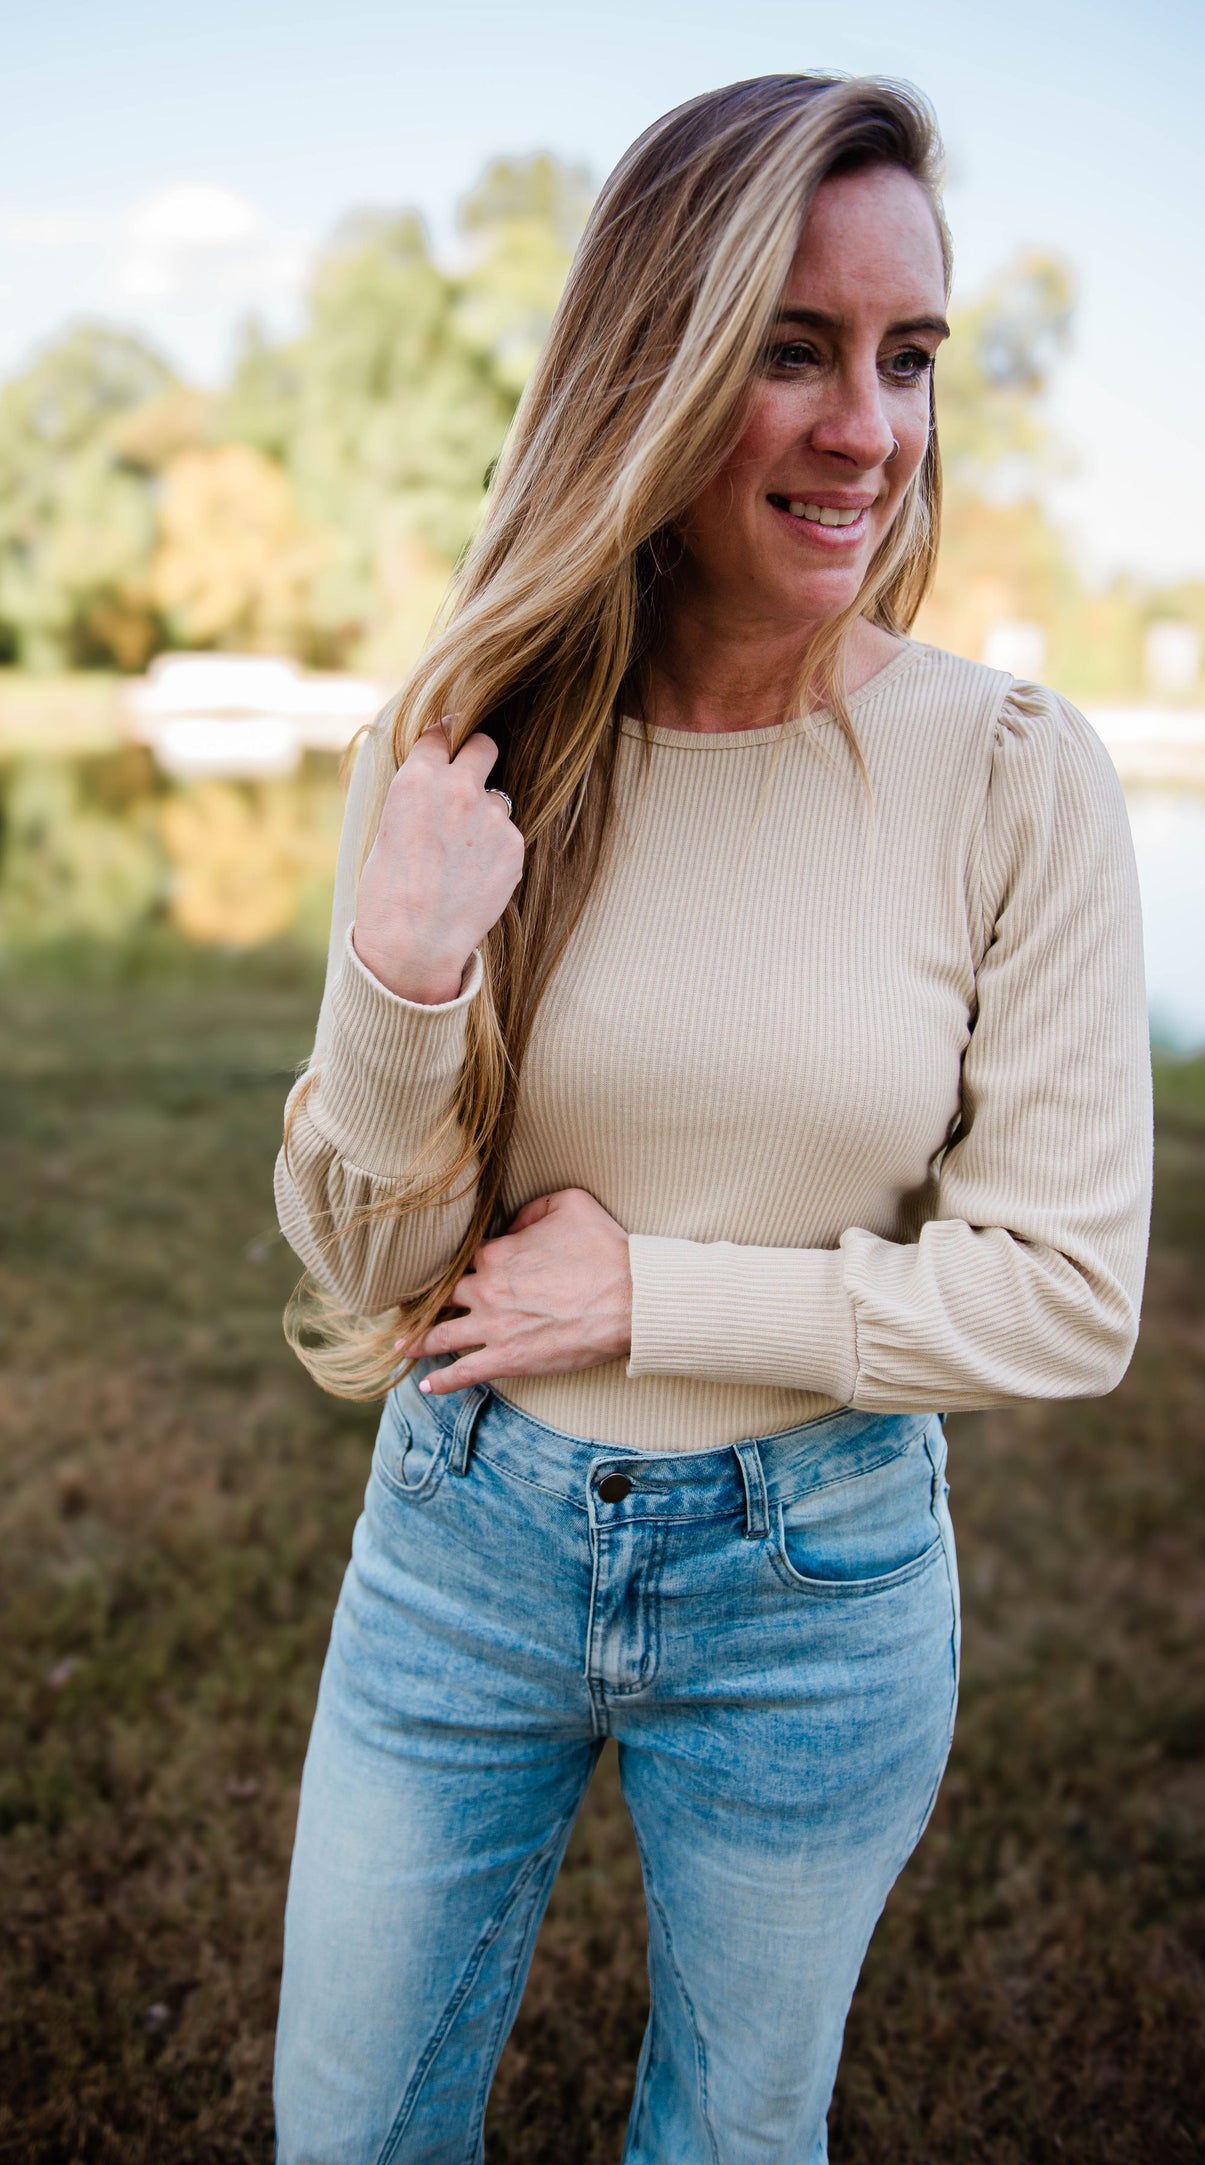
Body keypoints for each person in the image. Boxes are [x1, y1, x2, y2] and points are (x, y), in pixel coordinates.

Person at [269, 72, 1154, 2164]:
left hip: (815, 1584)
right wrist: (405, 979)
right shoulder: (474, 734)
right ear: (656, 366)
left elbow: (1067, 1300)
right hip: (460, 1543)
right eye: (794, 348)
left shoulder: (1015, 775)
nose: (870, 424)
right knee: (348, 2135)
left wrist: (649, 1294)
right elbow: (366, 1265)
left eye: (909, 356)